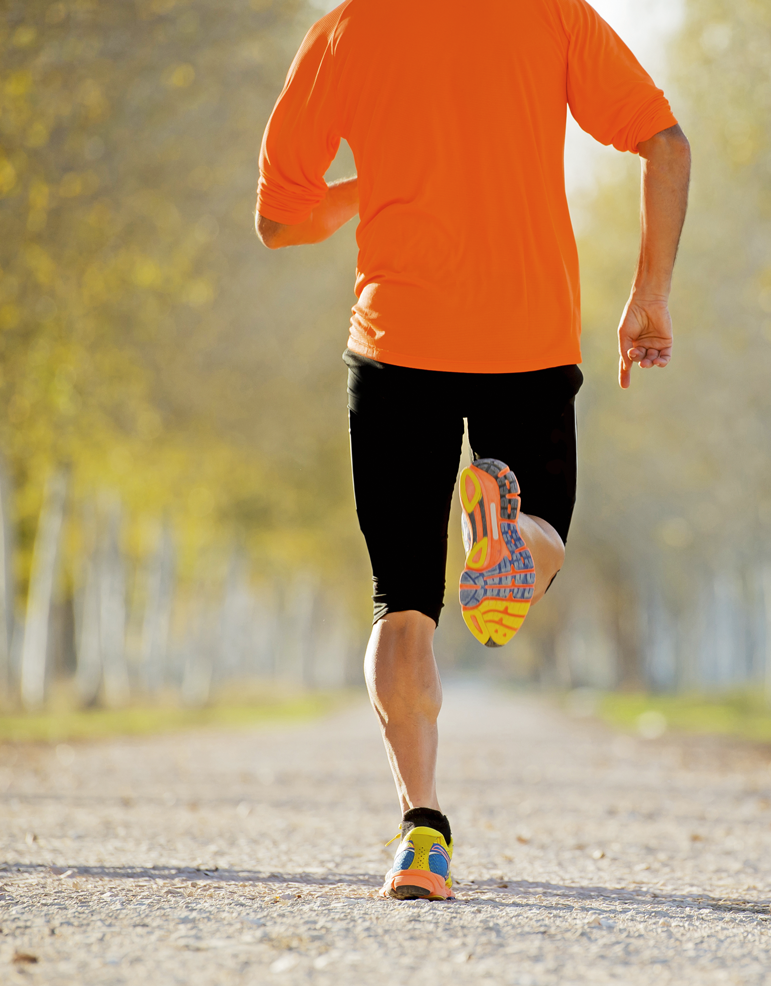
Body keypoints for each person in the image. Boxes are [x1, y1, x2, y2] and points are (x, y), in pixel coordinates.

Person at [254, 0, 690, 901]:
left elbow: (279, 219)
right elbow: (667, 144)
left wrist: (365, 192)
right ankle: (510, 540)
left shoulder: (349, 29)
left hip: (395, 345)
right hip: (524, 339)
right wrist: (649, 292)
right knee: (543, 537)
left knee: (404, 603)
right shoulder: (551, 15)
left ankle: (423, 833)